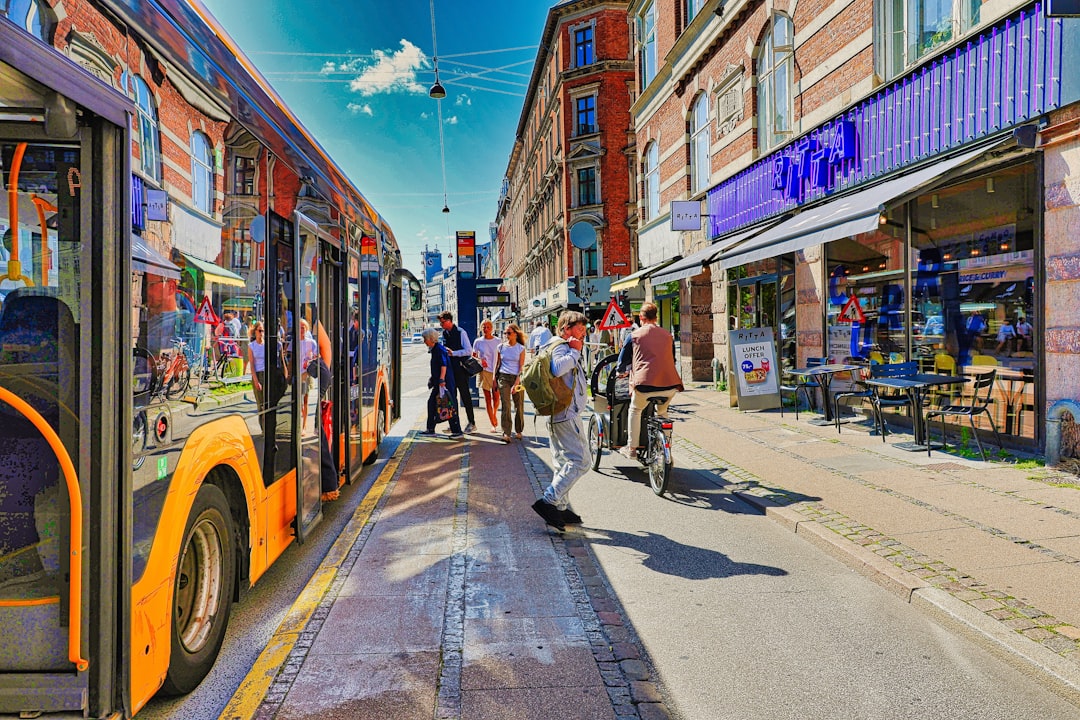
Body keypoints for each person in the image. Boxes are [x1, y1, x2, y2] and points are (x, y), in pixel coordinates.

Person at [531, 311, 590, 532]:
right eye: (579, 329)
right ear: (566, 329)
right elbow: (557, 369)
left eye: (584, 330)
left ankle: (561, 507)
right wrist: (575, 351)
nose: (583, 334)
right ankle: (549, 501)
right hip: (566, 413)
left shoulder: (556, 344)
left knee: (562, 461)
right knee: (581, 461)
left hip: (560, 412)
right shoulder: (562, 346)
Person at [616, 302, 683, 458]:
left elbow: (622, 363)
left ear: (641, 317)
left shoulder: (633, 336)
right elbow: (672, 359)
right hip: (670, 385)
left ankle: (632, 449)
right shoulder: (668, 335)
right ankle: (667, 451)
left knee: (635, 410)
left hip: (644, 385)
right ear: (656, 317)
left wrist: (621, 372)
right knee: (663, 412)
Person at [420, 328, 464, 438]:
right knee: (434, 404)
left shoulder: (439, 349)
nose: (424, 341)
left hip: (444, 383)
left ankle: (456, 431)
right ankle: (431, 428)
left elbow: (443, 365)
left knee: (448, 405)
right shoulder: (436, 349)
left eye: (425, 339)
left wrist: (441, 379)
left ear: (431, 339)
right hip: (439, 382)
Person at [438, 311, 477, 432]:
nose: (441, 325)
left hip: (460, 369)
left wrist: (453, 353)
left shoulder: (461, 332)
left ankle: (472, 422)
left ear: (449, 321)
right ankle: (454, 424)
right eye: (441, 323)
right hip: (450, 370)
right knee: (452, 397)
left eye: (443, 322)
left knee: (465, 396)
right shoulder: (445, 333)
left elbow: (469, 350)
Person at [495, 324, 526, 443]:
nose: (506, 335)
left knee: (519, 405)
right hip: (503, 377)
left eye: (509, 333)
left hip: (517, 377)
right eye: (505, 333)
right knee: (506, 404)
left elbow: (521, 367)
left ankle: (518, 430)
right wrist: (494, 379)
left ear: (515, 334)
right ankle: (506, 432)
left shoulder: (520, 348)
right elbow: (498, 364)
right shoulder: (501, 347)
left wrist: (517, 382)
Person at [473, 319, 502, 432]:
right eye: (484, 327)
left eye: (488, 327)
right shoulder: (478, 341)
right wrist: (480, 360)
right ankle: (492, 423)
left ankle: (494, 413)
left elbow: (501, 356)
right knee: (487, 398)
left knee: (496, 397)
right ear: (481, 329)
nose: (486, 329)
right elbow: (473, 356)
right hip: (484, 371)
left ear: (492, 328)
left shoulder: (498, 341)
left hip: (496, 371)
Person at [297, 318, 319, 432]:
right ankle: (298, 423)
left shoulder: (311, 343)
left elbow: (317, 357)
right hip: (297, 374)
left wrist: (310, 362)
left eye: (303, 328)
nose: (301, 330)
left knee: (305, 400)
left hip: (307, 374)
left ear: (306, 329)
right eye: (299, 327)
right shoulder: (294, 342)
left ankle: (304, 426)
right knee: (298, 401)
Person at [248, 321, 266, 431]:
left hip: (266, 374)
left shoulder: (266, 345)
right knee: (261, 404)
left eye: (263, 331)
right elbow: (252, 364)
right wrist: (256, 380)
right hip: (258, 374)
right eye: (259, 331)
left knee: (268, 403)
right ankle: (263, 428)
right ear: (255, 332)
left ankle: (268, 429)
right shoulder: (252, 346)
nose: (261, 333)